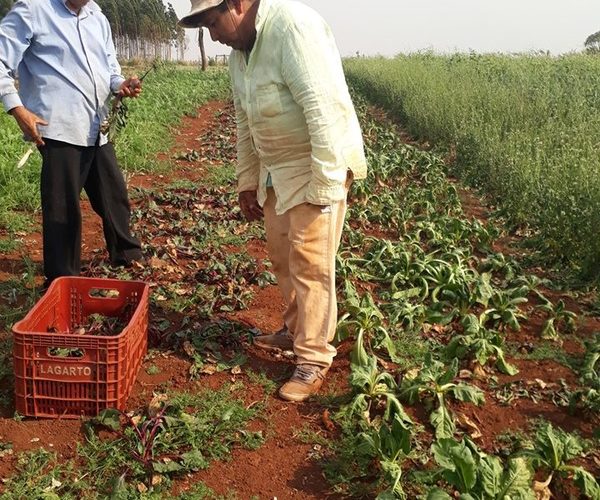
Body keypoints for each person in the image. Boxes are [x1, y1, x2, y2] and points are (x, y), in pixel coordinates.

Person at [179, 0, 368, 401]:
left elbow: (323, 110)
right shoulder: (240, 55)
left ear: (237, 4)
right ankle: (295, 330)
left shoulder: (292, 28)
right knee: (283, 256)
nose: (213, 36)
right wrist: (247, 181)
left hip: (316, 162)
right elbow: (245, 121)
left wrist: (325, 184)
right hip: (276, 170)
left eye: (214, 23)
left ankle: (314, 357)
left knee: (311, 261)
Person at [0, 0, 143, 288]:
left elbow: (110, 68)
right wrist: (17, 108)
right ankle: (62, 280)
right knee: (62, 207)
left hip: (94, 127)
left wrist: (120, 85)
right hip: (57, 127)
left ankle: (128, 256)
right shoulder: (33, 9)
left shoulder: (96, 16)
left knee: (113, 194)